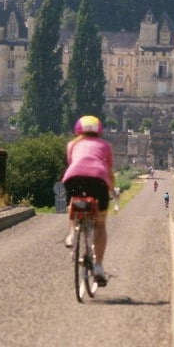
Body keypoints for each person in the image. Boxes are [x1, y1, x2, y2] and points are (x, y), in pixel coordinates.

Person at [62, 115, 114, 285]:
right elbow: (109, 172)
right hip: (98, 180)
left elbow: (73, 164)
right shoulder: (105, 146)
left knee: (74, 202)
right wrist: (111, 190)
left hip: (73, 178)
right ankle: (98, 266)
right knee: (100, 224)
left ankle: (72, 234)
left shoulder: (72, 144)